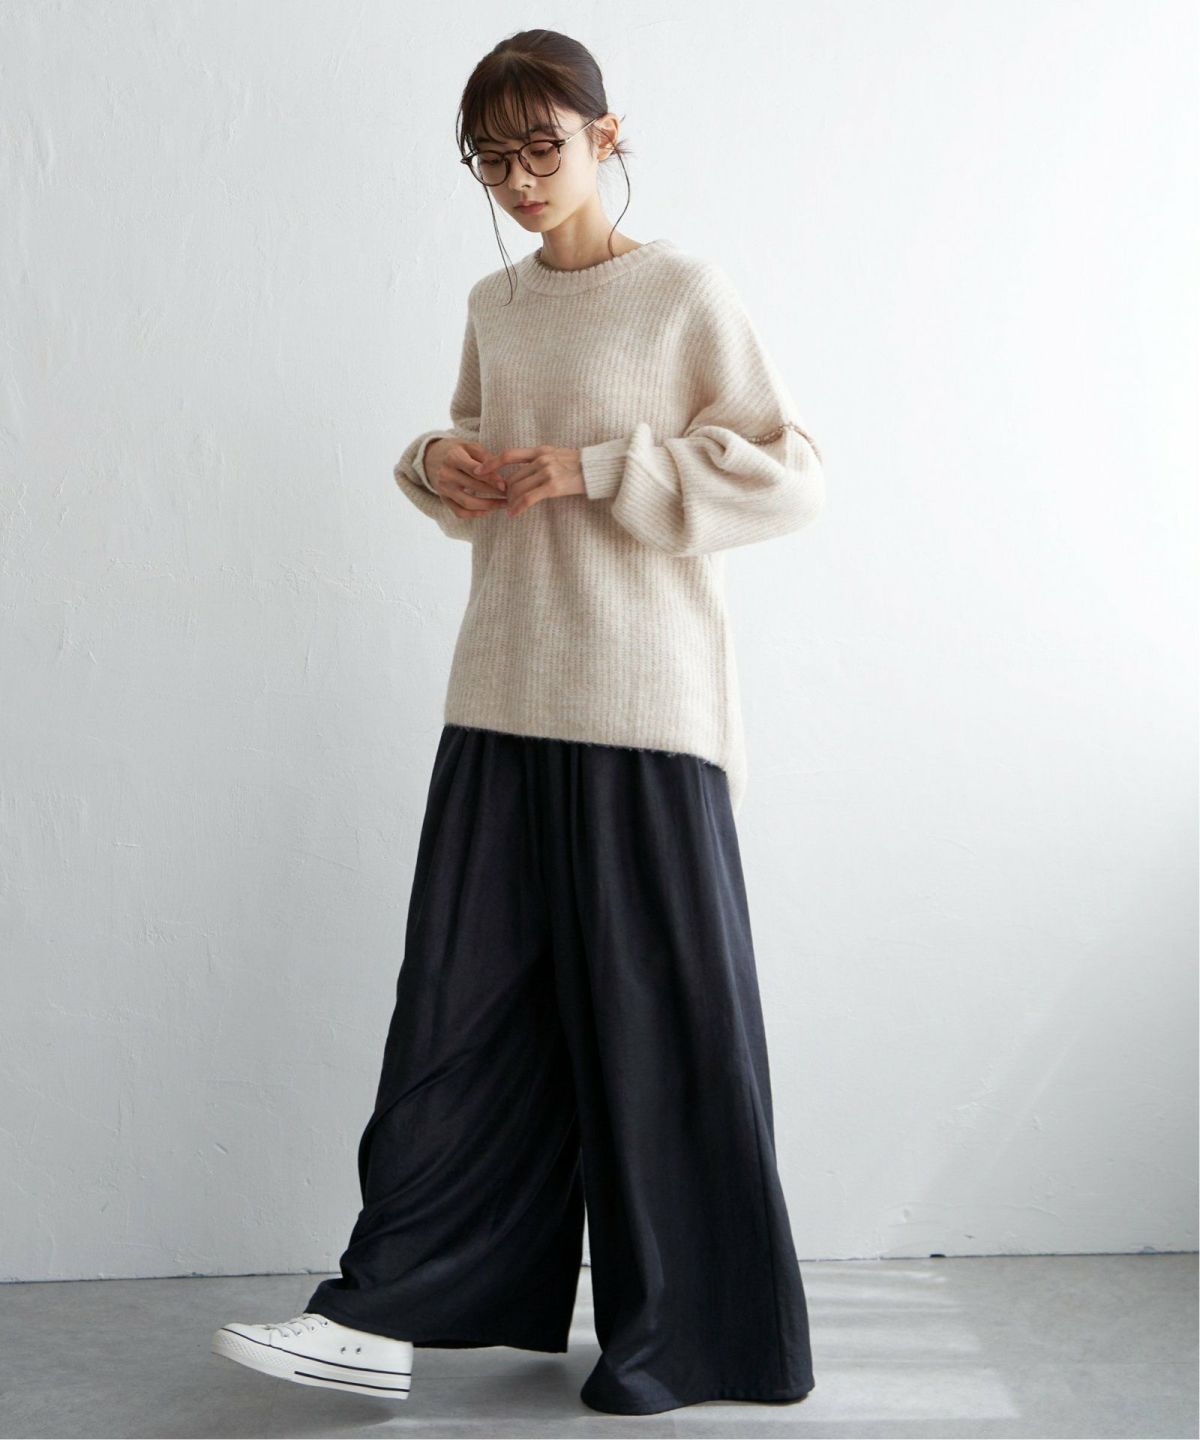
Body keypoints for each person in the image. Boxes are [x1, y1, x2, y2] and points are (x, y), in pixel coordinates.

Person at [211, 27, 825, 1418]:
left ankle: (697, 1339)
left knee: (659, 1027)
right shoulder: (496, 305)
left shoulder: (682, 294)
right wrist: (438, 458)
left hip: (644, 706)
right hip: (501, 691)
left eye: (541, 146)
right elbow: (467, 448)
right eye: (492, 161)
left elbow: (791, 473)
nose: (519, 178)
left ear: (606, 135)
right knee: (460, 1013)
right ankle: (386, 1311)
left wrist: (604, 467)